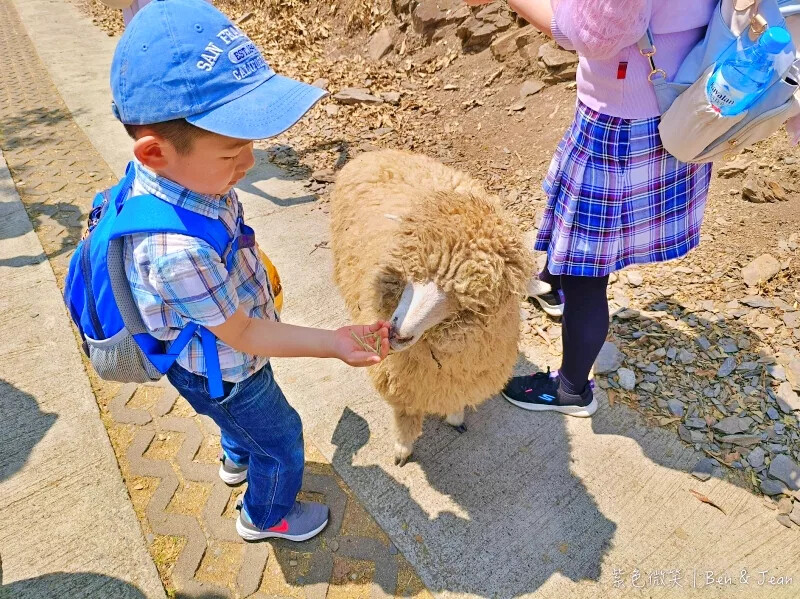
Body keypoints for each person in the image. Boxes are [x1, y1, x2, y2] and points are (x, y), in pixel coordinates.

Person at [108, 0, 390, 542]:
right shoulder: (175, 250)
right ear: (154, 153)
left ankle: (236, 455)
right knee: (283, 440)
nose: (250, 163)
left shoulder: (185, 181)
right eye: (232, 152)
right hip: (227, 368)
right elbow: (243, 333)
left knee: (240, 426)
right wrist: (334, 342)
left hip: (213, 358)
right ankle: (265, 517)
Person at [465, 0, 718, 417]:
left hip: (621, 121)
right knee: (576, 228)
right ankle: (550, 283)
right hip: (687, 106)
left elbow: (592, 33)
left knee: (587, 268)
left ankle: (570, 390)